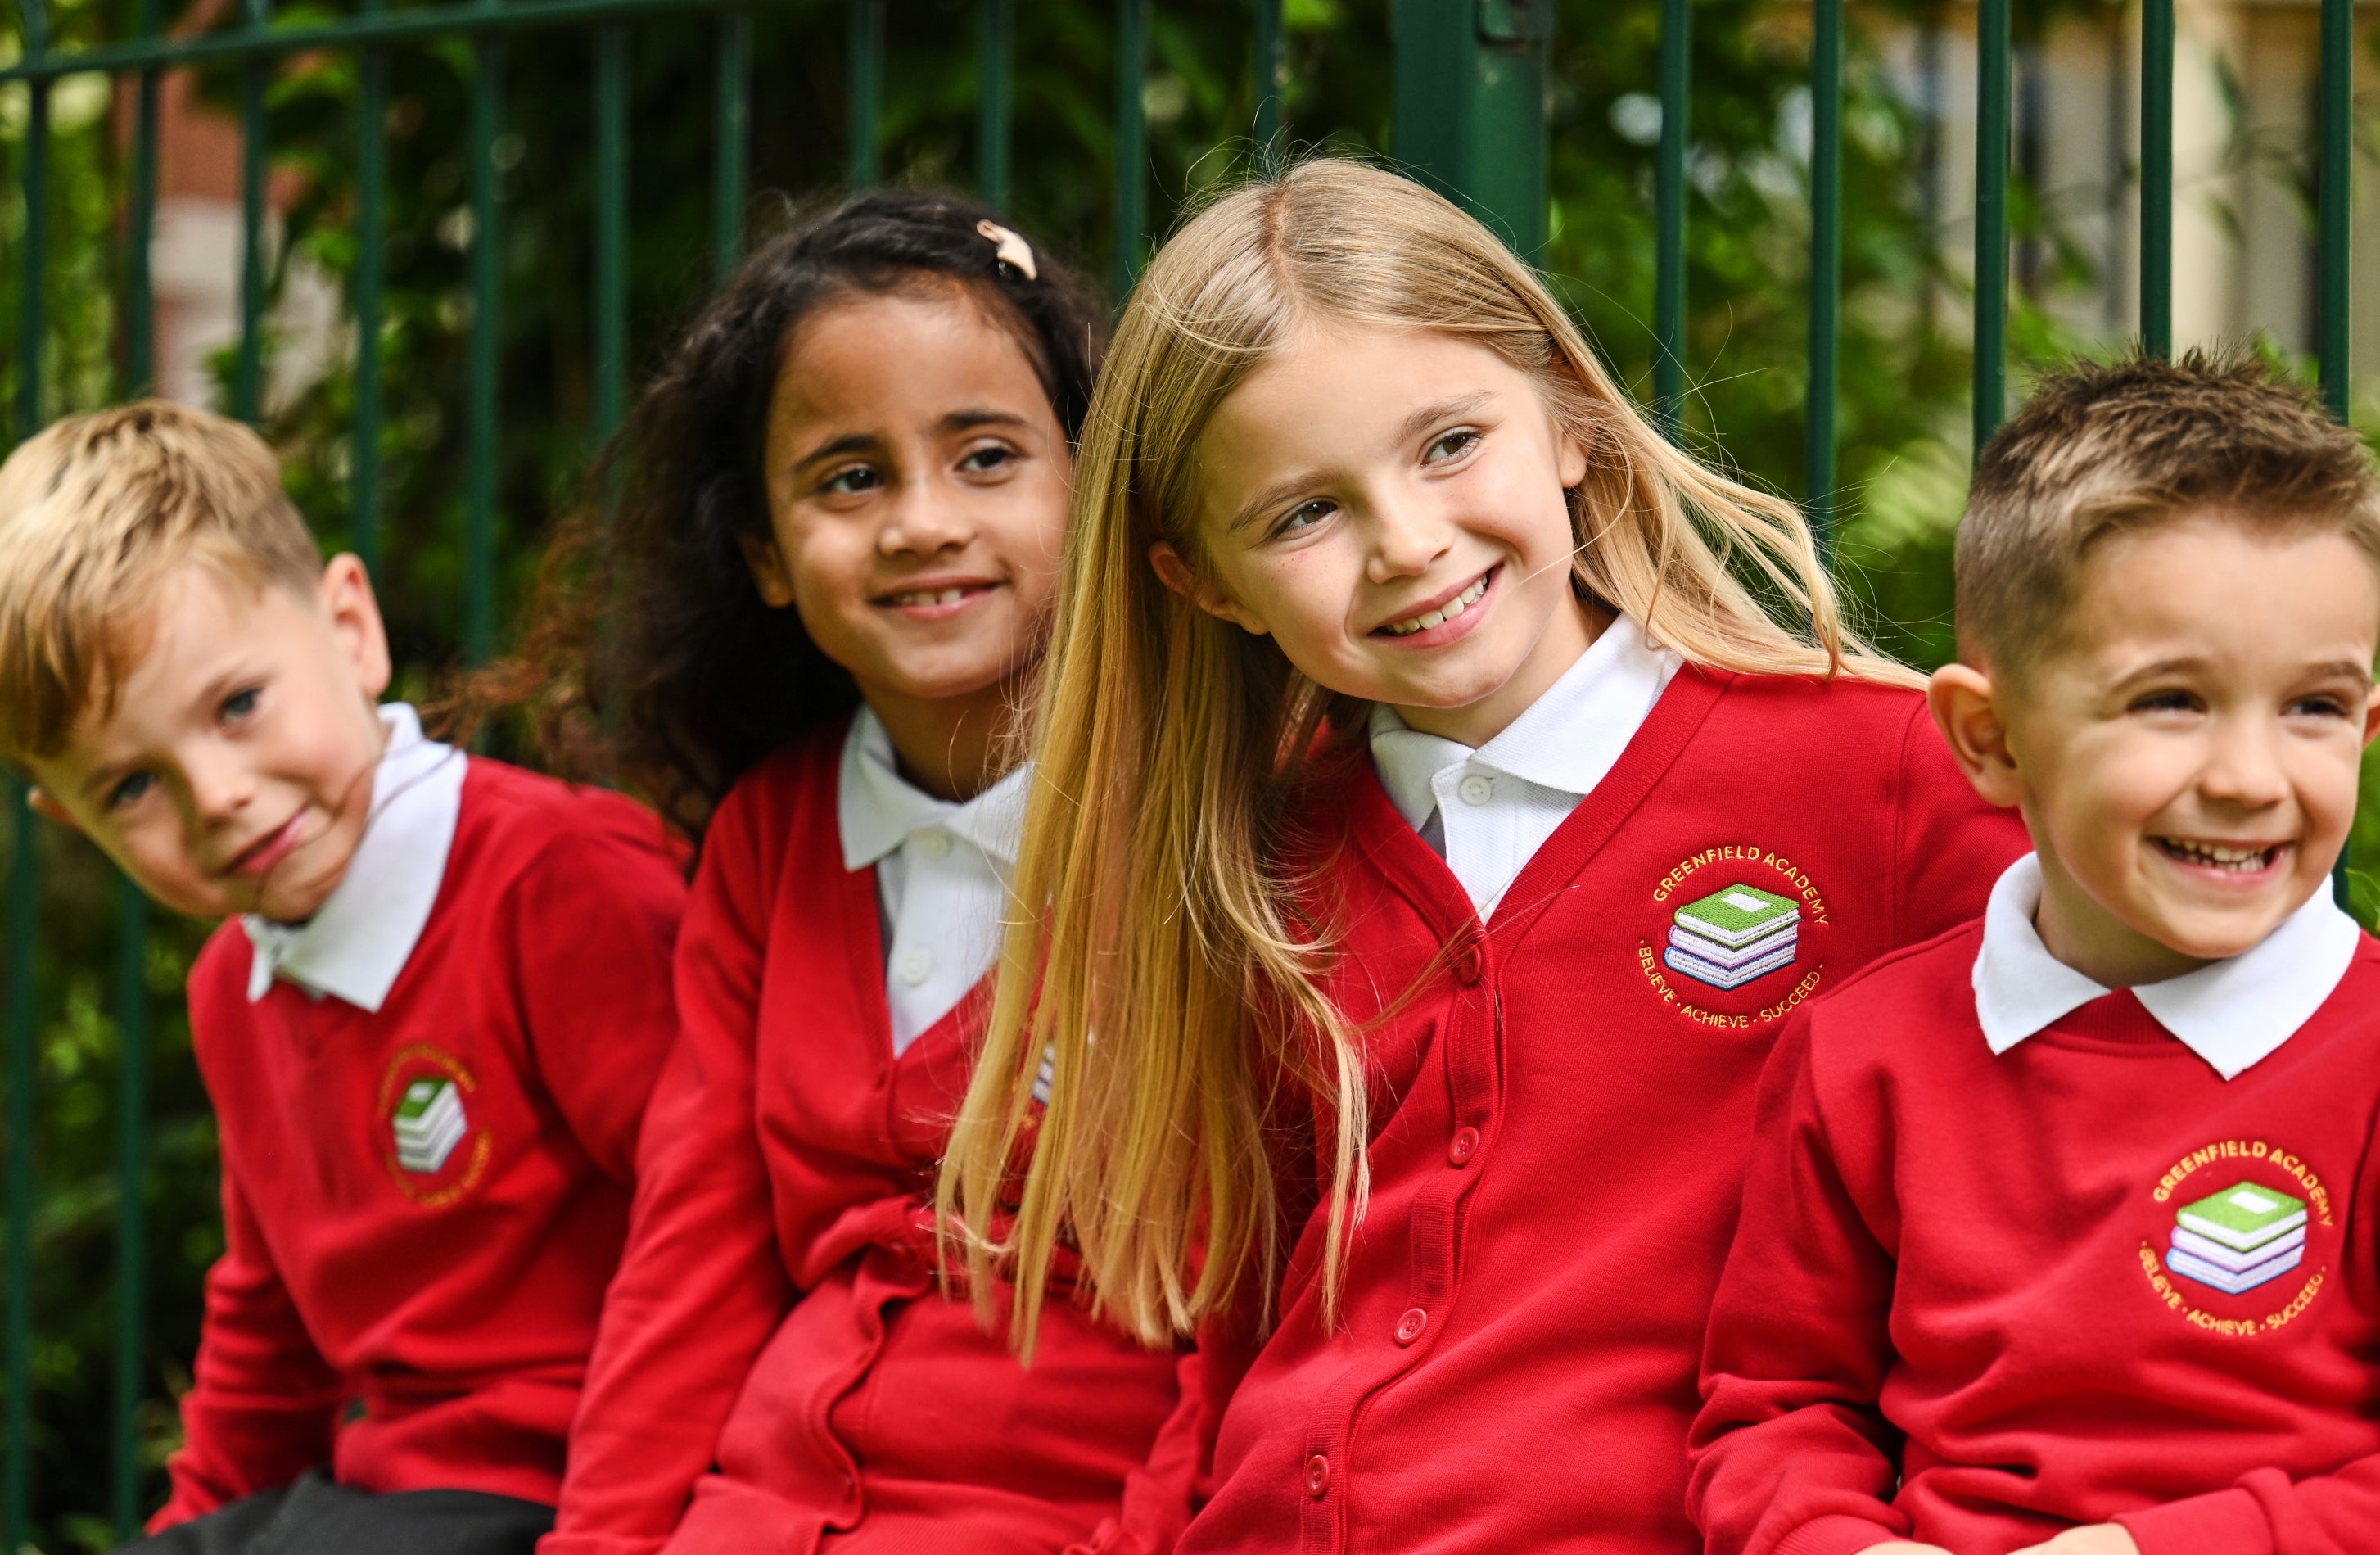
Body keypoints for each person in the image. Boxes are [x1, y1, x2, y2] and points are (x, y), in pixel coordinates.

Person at [937, 157, 2027, 1555]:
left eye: (1451, 444)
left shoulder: (1874, 778)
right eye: (1304, 514)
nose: (1408, 543)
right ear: (1203, 581)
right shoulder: (1256, 866)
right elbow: (1243, 1334)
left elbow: (2089, 1158)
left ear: (1570, 416)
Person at [485, 190, 1198, 1555]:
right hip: (756, 1513)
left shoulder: (1210, 820)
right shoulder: (771, 839)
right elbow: (689, 1272)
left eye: (986, 456)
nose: (923, 522)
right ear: (765, 551)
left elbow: (1261, 1313)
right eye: (850, 477)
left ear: (1092, 483)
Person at [1687, 353, 2380, 1555]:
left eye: (2314, 708)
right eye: (2172, 700)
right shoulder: (1864, 1053)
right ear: (1991, 741)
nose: (2251, 778)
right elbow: (1775, 1410)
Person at [0, 402, 687, 1554]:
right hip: (388, 1498)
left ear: (350, 626)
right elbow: (267, 1329)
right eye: (131, 788)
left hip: (579, 1483)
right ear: (68, 820)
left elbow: (720, 1230)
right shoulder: (236, 988)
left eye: (237, 706)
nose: (215, 794)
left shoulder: (554, 880)